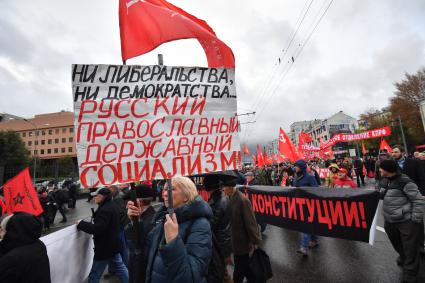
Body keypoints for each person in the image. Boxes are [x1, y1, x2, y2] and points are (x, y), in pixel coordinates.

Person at [143, 176, 213, 283]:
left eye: (171, 189)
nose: (165, 194)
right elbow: (144, 253)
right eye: (165, 189)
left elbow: (189, 277)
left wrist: (173, 241)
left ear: (186, 196)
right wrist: (135, 222)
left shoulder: (200, 225)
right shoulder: (163, 217)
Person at [376, 159, 425, 283]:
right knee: (397, 243)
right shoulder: (385, 180)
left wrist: (415, 219)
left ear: (387, 169)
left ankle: (410, 273)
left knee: (411, 248)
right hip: (390, 220)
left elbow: (418, 200)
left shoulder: (405, 181)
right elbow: (382, 194)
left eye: (381, 168)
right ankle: (403, 258)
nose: (379, 170)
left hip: (406, 221)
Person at [77, 187, 129, 283]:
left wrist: (81, 224)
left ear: (102, 197)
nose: (94, 198)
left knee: (94, 276)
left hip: (105, 248)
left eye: (96, 196)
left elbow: (98, 228)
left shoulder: (105, 209)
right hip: (113, 245)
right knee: (121, 268)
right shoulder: (112, 205)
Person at [223, 177, 262, 283]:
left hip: (242, 243)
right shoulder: (229, 197)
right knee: (246, 268)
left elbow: (251, 223)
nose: (223, 190)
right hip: (235, 241)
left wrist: (256, 241)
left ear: (230, 188)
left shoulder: (243, 200)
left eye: (224, 188)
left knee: (238, 272)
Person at [0, 212, 51, 283]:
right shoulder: (38, 243)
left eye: (2, 230)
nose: (0, 234)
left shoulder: (11, 258)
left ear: (12, 230)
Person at [126, 184, 156, 283]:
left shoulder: (149, 221)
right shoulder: (145, 216)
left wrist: (134, 222)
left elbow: (135, 243)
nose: (128, 204)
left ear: (138, 201)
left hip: (141, 271)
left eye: (130, 201)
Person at [293, 159, 319, 256]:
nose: (295, 168)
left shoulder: (310, 177)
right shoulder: (295, 178)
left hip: (309, 205)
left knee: (305, 226)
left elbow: (316, 189)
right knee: (309, 224)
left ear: (302, 167)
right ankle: (314, 240)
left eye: (297, 166)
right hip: (299, 204)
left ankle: (304, 247)